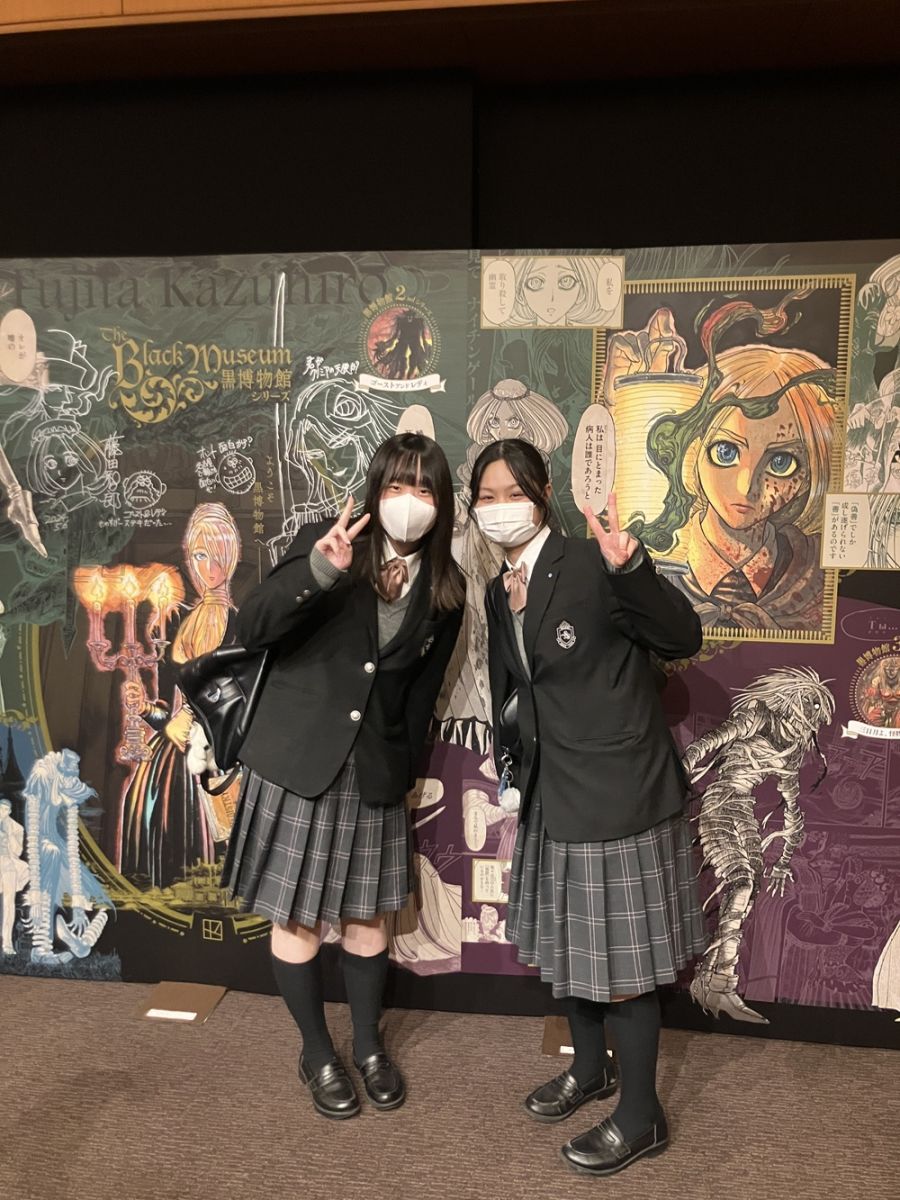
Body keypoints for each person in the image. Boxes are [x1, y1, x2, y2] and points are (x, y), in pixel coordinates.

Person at [472, 437, 704, 1177]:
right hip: (551, 788)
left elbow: (682, 636)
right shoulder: (498, 587)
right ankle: (590, 1068)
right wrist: (512, 768)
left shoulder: (593, 562)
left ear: (543, 496)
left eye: (514, 493)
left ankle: (642, 1115)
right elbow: (513, 689)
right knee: (572, 946)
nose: (500, 508)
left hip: (617, 790)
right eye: (486, 497)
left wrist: (631, 570)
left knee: (624, 961)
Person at [225, 432, 465, 1119]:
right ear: (375, 491)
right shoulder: (327, 542)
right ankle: (316, 1051)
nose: (410, 500)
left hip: (373, 772)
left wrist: (401, 772)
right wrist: (319, 572)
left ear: (442, 503)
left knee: (368, 925)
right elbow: (254, 625)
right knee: (297, 923)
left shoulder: (447, 587)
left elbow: (421, 696)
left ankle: (366, 1045)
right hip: (300, 762)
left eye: (425, 488)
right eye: (397, 485)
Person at [121, 502, 241, 886]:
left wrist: (190, 716)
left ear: (231, 557)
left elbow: (234, 695)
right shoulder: (178, 620)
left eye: (216, 556)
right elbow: (169, 712)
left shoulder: (238, 624)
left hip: (218, 751)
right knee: (148, 817)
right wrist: (145, 708)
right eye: (200, 555)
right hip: (172, 756)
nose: (208, 568)